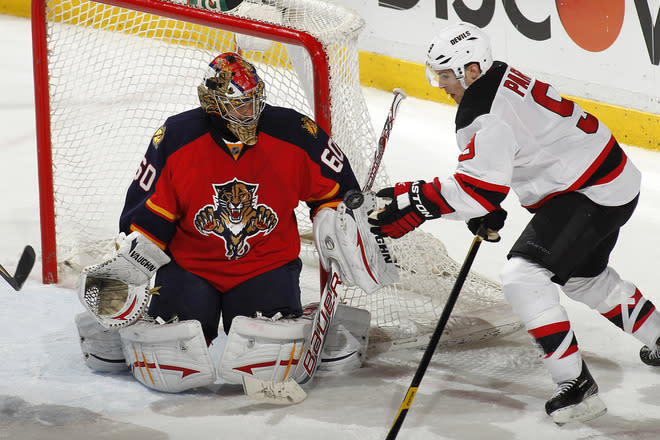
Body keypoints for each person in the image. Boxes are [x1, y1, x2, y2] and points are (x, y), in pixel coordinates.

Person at [369, 22, 660, 425]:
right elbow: (500, 169)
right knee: (582, 277)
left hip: (590, 191)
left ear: (472, 70)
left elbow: (477, 190)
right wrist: (480, 201)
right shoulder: (497, 74)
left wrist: (416, 198)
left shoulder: (481, 112)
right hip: (609, 178)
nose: (441, 84)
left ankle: (576, 387)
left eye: (447, 75)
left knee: (524, 276)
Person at [75, 52, 394, 395]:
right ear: (212, 103)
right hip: (192, 266)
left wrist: (337, 224)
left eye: (255, 101)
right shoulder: (177, 137)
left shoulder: (295, 133)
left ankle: (326, 323)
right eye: (240, 105)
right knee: (169, 360)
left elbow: (338, 192)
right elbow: (149, 214)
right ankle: (113, 330)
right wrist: (135, 260)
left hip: (265, 263)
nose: (250, 112)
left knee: (271, 357)